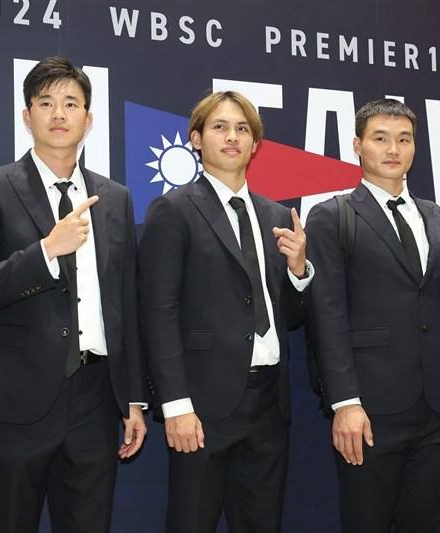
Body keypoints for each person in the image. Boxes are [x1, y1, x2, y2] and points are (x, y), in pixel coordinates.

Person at [0, 56, 146, 533]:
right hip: (18, 400)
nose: (58, 114)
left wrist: (134, 399)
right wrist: (45, 252)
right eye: (45, 103)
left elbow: (125, 304)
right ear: (27, 116)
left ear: (88, 118)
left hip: (97, 399)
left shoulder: (115, 197)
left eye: (71, 103)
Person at [138, 90, 313, 533]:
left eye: (242, 129)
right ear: (196, 139)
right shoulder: (173, 210)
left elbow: (289, 316)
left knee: (261, 523)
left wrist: (298, 272)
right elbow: (158, 312)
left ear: (256, 145)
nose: (232, 137)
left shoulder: (275, 214)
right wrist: (176, 404)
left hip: (270, 402)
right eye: (219, 127)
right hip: (202, 403)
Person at [305, 98, 440, 533]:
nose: (393, 149)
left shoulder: (439, 219)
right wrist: (345, 402)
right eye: (380, 138)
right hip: (370, 408)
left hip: (438, 411)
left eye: (404, 139)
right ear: (357, 146)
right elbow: (325, 315)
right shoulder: (332, 216)